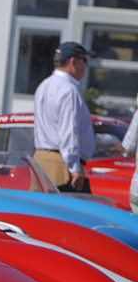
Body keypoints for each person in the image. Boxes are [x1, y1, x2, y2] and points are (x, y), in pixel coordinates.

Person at [33, 41, 96, 193]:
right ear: (73, 62)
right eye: (84, 60)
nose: (86, 66)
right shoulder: (68, 90)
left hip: (40, 158)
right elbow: (68, 132)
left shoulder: (44, 85)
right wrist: (74, 168)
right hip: (60, 163)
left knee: (40, 212)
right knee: (63, 214)